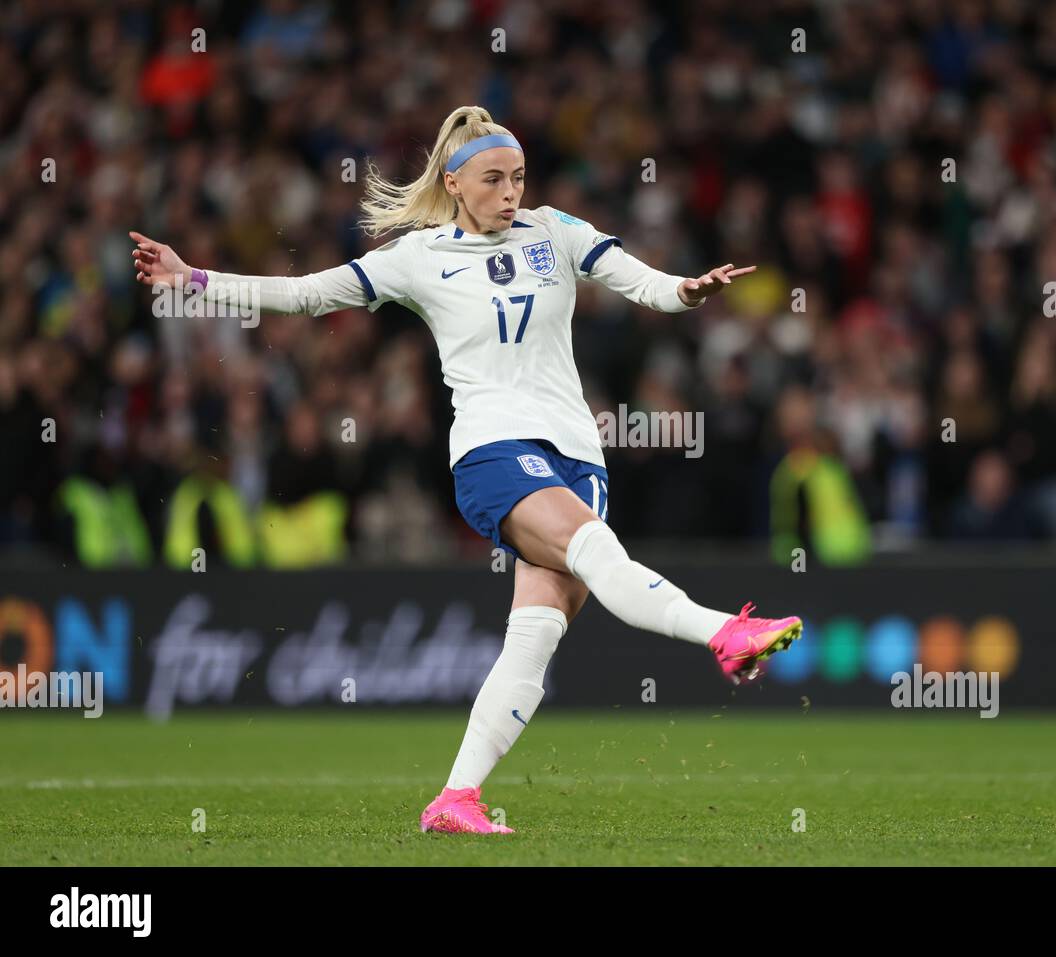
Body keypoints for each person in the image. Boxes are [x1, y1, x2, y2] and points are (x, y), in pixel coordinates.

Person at [130, 105, 803, 836]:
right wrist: (192, 278)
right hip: (493, 449)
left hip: (578, 454)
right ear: (454, 183)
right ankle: (722, 632)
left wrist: (685, 290)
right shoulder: (419, 257)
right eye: (493, 178)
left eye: (518, 176)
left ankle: (456, 798)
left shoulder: (555, 230)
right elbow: (306, 293)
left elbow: (642, 282)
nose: (511, 191)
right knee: (596, 550)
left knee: (534, 637)